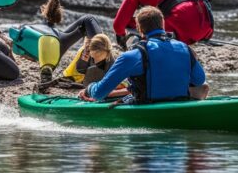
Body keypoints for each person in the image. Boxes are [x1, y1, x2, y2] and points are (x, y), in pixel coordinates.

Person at [80, 6, 209, 103]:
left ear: (139, 29)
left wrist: (88, 89)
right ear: (163, 25)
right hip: (180, 103)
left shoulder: (131, 56)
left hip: (147, 105)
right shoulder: (185, 49)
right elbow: (199, 80)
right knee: (204, 87)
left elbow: (99, 94)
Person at [24, 0, 103, 83]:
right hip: (58, 43)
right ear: (58, 16)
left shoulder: (31, 27)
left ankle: (47, 67)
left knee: (48, 61)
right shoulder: (60, 35)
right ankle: (101, 60)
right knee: (88, 19)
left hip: (45, 47)